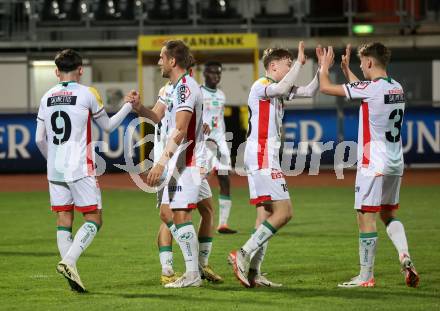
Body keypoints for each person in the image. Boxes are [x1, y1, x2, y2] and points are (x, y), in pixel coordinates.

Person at [319, 42, 419, 288]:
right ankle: (404, 255)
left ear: (370, 62)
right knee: (388, 213)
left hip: (372, 161)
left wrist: (324, 66)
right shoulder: (396, 87)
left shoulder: (371, 89)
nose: (361, 66)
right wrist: (347, 72)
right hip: (395, 162)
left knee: (365, 215)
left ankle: (366, 276)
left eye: (362, 62)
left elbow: (325, 88)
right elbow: (365, 90)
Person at [35, 49, 135, 292]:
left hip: (55, 170)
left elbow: (39, 139)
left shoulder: (46, 97)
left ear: (56, 71)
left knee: (63, 218)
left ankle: (71, 272)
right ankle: (68, 261)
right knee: (94, 218)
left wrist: (54, 160)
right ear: (81, 70)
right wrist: (128, 106)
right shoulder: (87, 94)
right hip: (80, 167)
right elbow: (109, 127)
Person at [230, 41, 321, 288]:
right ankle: (243, 253)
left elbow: (310, 91)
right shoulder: (262, 85)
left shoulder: (278, 88)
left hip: (263, 155)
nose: (291, 67)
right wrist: (301, 63)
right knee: (285, 212)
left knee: (266, 215)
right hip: (261, 155)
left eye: (292, 64)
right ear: (272, 66)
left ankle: (254, 272)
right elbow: (283, 86)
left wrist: (322, 68)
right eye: (288, 64)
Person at [130, 39, 217, 288]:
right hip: (182, 159)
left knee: (179, 214)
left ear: (172, 61)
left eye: (161, 57)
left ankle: (193, 272)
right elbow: (157, 116)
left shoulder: (185, 88)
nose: (158, 62)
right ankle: (190, 270)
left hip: (183, 160)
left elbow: (179, 129)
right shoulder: (175, 87)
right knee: (174, 213)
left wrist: (160, 162)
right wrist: (139, 108)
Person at [146, 80, 223, 286]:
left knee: (207, 209)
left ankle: (201, 264)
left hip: (190, 161)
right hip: (169, 162)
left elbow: (187, 123)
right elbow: (163, 119)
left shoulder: (188, 90)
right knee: (167, 215)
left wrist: (200, 126)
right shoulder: (170, 92)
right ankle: (168, 268)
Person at [201, 61, 237, 234]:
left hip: (219, 141)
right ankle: (188, 216)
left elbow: (219, 119)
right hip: (203, 143)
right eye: (213, 73)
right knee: (199, 180)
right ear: (205, 74)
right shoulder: (198, 93)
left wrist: (222, 141)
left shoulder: (221, 95)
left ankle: (223, 223)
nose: (216, 76)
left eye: (219, 73)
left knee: (225, 179)